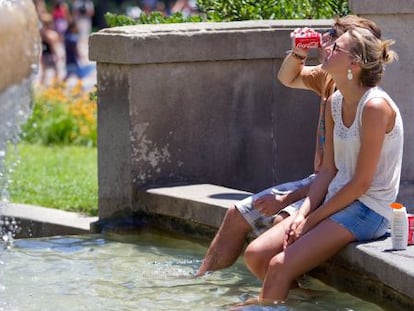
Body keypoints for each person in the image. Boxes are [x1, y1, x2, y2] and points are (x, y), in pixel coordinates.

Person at [196, 15, 382, 277]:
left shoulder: (364, 100)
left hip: (335, 190)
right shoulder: (328, 79)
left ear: (353, 51)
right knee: (236, 213)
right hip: (319, 180)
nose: (326, 38)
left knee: (278, 224)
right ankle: (200, 283)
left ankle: (292, 296)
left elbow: (344, 176)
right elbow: (287, 77)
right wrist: (298, 52)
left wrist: (288, 199)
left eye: (334, 36)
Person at [242, 26, 403, 305]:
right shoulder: (334, 101)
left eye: (336, 46)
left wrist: (310, 221)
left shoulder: (375, 107)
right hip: (335, 196)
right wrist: (304, 212)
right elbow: (328, 170)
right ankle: (307, 302)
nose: (326, 47)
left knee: (280, 266)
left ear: (354, 63)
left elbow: (361, 183)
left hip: (370, 209)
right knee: (256, 255)